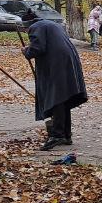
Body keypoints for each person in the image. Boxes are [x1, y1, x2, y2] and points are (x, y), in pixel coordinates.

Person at [20, 9, 89, 150]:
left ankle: (57, 135)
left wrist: (26, 51)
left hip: (57, 64)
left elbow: (37, 48)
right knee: (63, 97)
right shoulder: (49, 24)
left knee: (56, 97)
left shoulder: (35, 27)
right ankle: (66, 134)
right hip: (66, 61)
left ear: (27, 25)